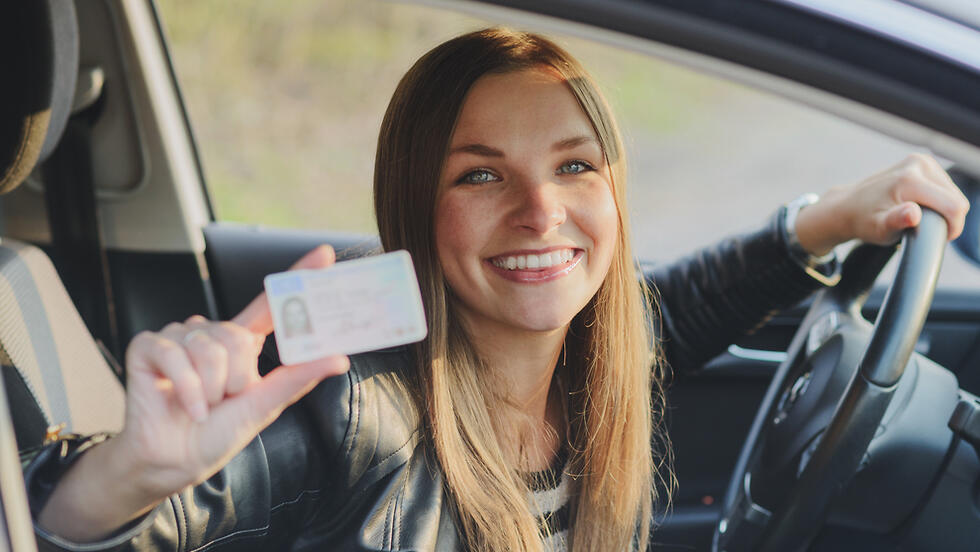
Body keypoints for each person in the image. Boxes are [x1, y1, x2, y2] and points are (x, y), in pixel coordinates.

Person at [26, 28, 969, 551]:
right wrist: (130, 477)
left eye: (574, 167)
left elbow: (673, 311)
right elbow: (135, 523)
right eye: (480, 175)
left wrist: (832, 215)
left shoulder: (593, 361)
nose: (539, 212)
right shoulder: (352, 402)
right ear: (416, 204)